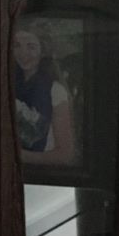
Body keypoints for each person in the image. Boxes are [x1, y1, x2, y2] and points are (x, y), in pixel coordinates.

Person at [13, 20, 75, 162]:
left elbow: (65, 153)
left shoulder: (56, 91)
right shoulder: (5, 84)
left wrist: (23, 156)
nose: (23, 53)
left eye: (31, 47)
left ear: (43, 51)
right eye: (17, 46)